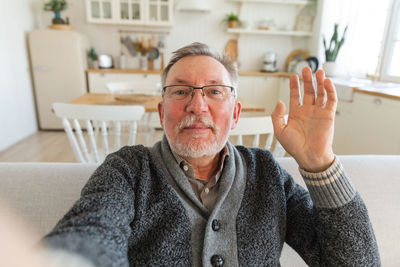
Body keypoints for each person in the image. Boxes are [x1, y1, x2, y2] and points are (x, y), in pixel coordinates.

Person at [42, 42, 380, 266]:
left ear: (235, 114)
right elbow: (91, 233)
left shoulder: (266, 172)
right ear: (162, 113)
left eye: (214, 91)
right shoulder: (128, 170)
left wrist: (320, 164)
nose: (197, 105)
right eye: (181, 91)